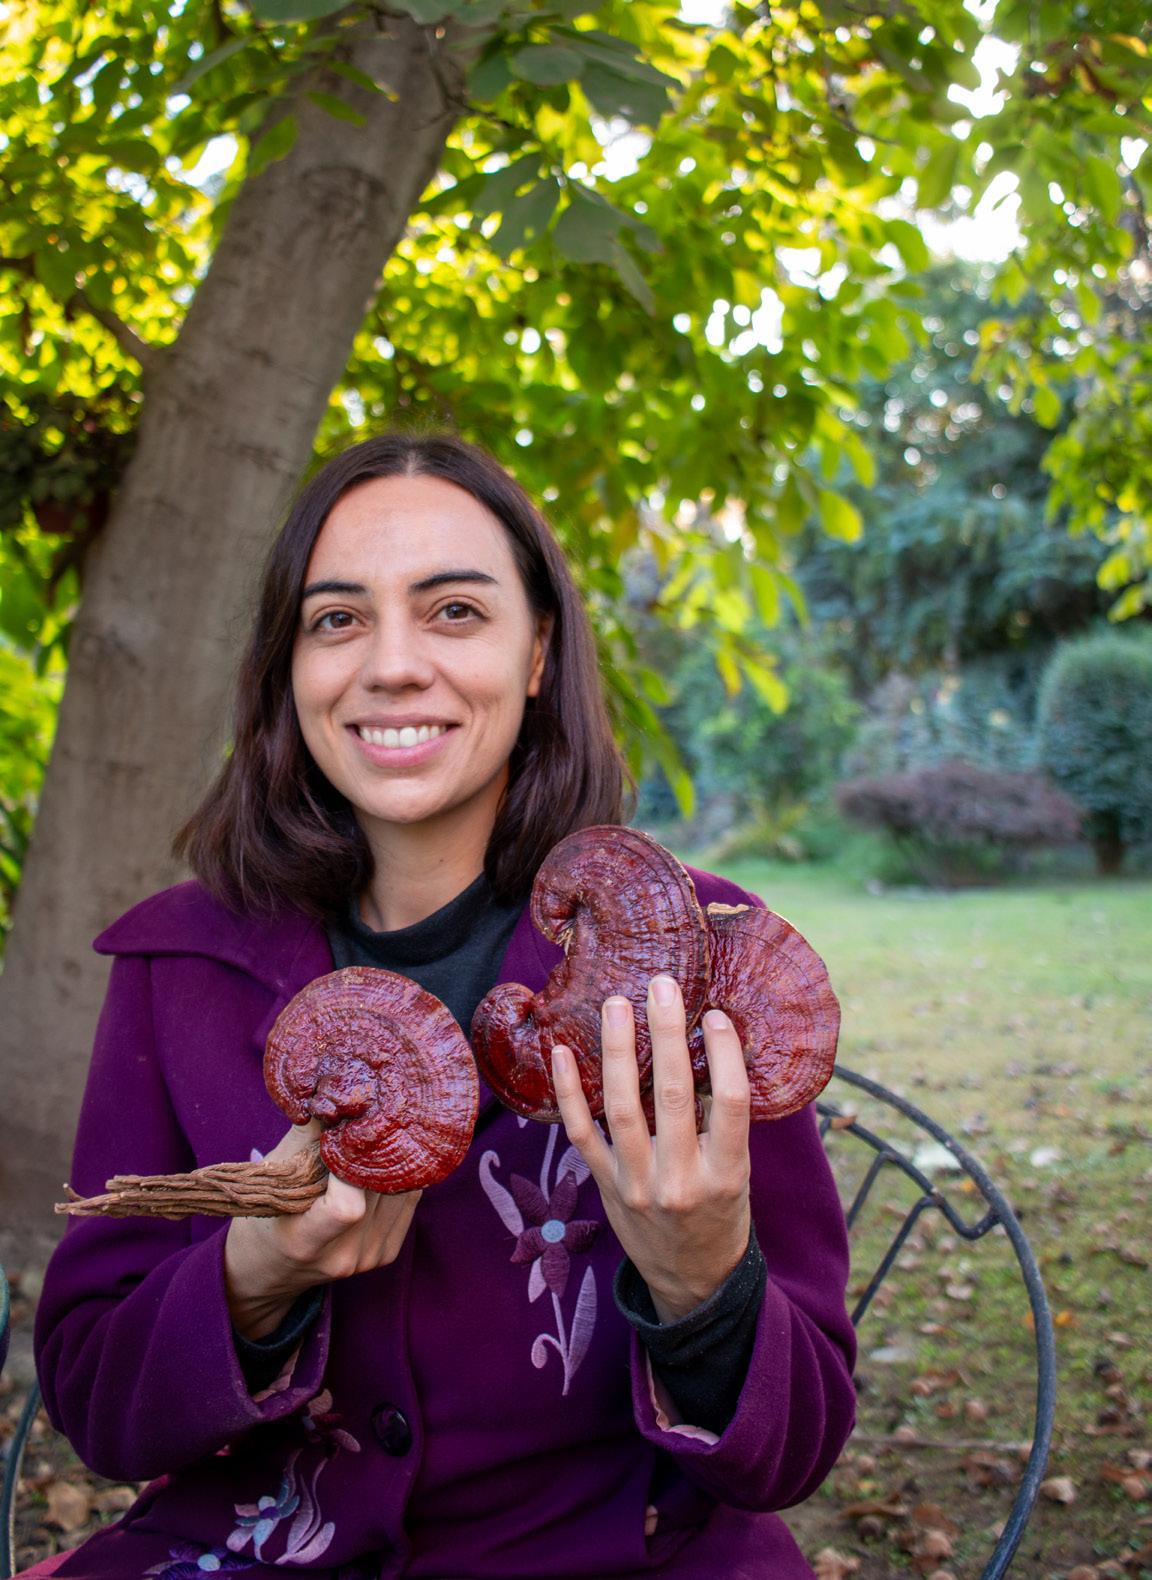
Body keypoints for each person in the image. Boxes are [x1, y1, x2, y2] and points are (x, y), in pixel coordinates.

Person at [29, 432, 855, 1580]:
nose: (393, 664)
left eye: (454, 610)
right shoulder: (181, 963)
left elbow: (793, 1450)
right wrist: (255, 1268)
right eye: (337, 618)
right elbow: (95, 1404)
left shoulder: (704, 958)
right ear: (287, 667)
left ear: (538, 650)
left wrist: (704, 1275)